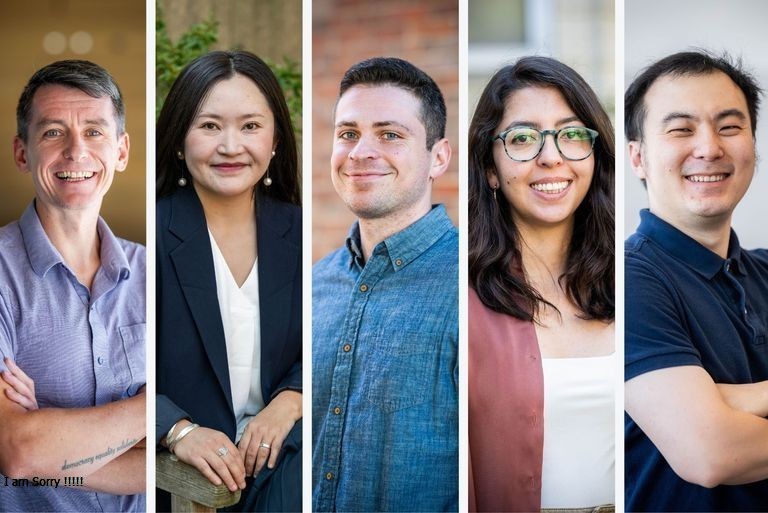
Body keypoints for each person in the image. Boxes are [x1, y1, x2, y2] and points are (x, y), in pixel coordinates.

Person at [155, 50, 302, 512]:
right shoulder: (146, 236)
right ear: (179, 141)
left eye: (251, 126)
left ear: (276, 140)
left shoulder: (301, 231)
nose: (231, 146)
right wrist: (177, 429)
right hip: (186, 481)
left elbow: (334, 344)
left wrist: (291, 400)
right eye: (210, 126)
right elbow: (116, 372)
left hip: (279, 466)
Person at [468, 56, 615, 512]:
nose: (551, 156)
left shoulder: (631, 282)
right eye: (523, 138)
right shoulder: (464, 299)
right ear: (490, 169)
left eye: (572, 134)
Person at [624, 50, 768, 511]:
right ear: (638, 157)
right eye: (681, 129)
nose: (709, 148)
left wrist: (734, 400)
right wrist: (720, 416)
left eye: (729, 126)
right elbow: (712, 453)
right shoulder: (625, 278)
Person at [0, 60, 146, 512]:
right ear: (22, 153)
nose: (76, 151)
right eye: (53, 132)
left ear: (121, 151)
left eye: (95, 132)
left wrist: (50, 441)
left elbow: (205, 425)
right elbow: (17, 449)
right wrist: (154, 409)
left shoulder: (156, 273)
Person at [312, 57, 457, 512]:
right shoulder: (316, 285)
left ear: (438, 158)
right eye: (348, 134)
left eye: (390, 135)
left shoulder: (476, 283)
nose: (359, 152)